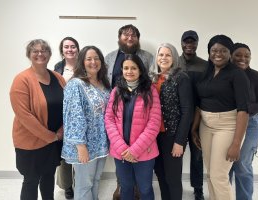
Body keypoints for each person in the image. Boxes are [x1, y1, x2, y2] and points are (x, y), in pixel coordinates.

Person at [194, 35, 250, 200]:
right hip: (206, 126)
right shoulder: (207, 72)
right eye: (214, 50)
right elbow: (200, 103)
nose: (218, 54)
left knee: (219, 176)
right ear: (209, 52)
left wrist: (236, 143)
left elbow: (243, 110)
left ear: (230, 53)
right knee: (211, 174)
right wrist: (194, 129)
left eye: (223, 51)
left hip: (227, 126)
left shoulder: (237, 75)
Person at [9, 39, 65, 200]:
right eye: (35, 51)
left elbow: (68, 107)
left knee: (49, 176)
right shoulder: (22, 79)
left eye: (44, 51)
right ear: (29, 55)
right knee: (31, 180)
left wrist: (61, 130)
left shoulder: (58, 77)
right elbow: (24, 115)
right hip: (31, 142)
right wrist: (50, 136)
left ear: (49, 54)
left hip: (55, 140)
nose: (40, 54)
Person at [105, 24, 153, 200]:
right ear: (119, 38)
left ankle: (137, 191)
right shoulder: (110, 58)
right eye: (125, 35)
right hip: (119, 126)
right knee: (125, 184)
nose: (129, 38)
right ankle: (123, 188)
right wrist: (121, 147)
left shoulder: (148, 59)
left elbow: (153, 122)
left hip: (142, 135)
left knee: (145, 186)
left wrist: (136, 149)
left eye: (133, 35)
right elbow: (109, 119)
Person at [61, 46, 110, 200]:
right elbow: (74, 117)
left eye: (96, 58)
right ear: (82, 62)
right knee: (84, 185)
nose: (93, 62)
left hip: (100, 144)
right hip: (83, 145)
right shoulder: (75, 84)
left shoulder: (103, 84)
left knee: (95, 181)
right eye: (89, 59)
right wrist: (80, 146)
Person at [150, 43, 194, 200]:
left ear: (174, 58)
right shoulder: (152, 79)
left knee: (173, 178)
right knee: (160, 175)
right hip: (154, 137)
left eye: (168, 55)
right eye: (161, 55)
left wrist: (180, 141)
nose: (163, 58)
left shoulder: (181, 78)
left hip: (173, 136)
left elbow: (187, 111)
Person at [229, 43, 258, 200]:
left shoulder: (257, 77)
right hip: (227, 123)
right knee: (225, 166)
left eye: (246, 55)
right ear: (231, 56)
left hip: (250, 124)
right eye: (238, 55)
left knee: (242, 165)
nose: (243, 58)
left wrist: (245, 108)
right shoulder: (225, 76)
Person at [179, 30, 208, 200]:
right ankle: (174, 185)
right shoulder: (174, 63)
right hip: (180, 117)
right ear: (181, 43)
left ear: (197, 44)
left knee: (197, 155)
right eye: (186, 41)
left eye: (193, 42)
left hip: (199, 117)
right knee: (175, 154)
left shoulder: (205, 66)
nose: (189, 45)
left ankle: (198, 188)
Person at [54, 36, 80, 199]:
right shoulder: (57, 68)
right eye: (66, 47)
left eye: (73, 46)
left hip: (79, 115)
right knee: (64, 154)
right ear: (62, 50)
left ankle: (81, 183)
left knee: (80, 152)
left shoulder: (84, 66)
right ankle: (67, 186)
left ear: (78, 49)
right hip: (62, 115)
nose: (70, 49)